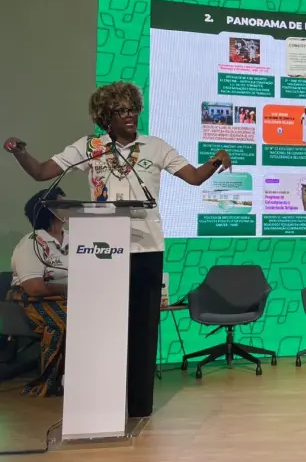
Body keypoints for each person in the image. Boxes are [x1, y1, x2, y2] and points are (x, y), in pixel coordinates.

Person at [3, 81, 231, 418]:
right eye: (120, 110)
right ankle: (103, 405)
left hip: (147, 248)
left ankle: (138, 407)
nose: (129, 115)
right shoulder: (91, 147)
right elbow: (41, 172)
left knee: (143, 328)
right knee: (104, 327)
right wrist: (20, 152)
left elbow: (194, 177)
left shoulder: (155, 146)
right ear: (105, 117)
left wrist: (215, 161)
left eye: (133, 109)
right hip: (102, 250)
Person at [7, 187, 69, 397]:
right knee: (66, 320)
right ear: (48, 210)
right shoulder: (32, 243)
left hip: (68, 297)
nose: (70, 207)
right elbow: (34, 287)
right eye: (63, 203)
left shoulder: (76, 240)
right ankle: (50, 380)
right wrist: (71, 289)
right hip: (31, 300)